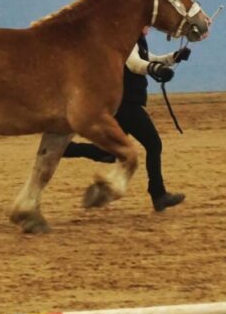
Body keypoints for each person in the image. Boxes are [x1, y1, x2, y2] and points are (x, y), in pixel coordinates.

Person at [64, 27, 190, 212]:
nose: (149, 27)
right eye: (146, 24)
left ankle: (68, 149)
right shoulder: (127, 38)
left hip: (127, 103)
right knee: (154, 144)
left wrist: (173, 57)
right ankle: (158, 194)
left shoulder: (137, 39)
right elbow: (135, 64)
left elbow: (148, 58)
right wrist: (156, 69)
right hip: (127, 104)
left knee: (109, 152)